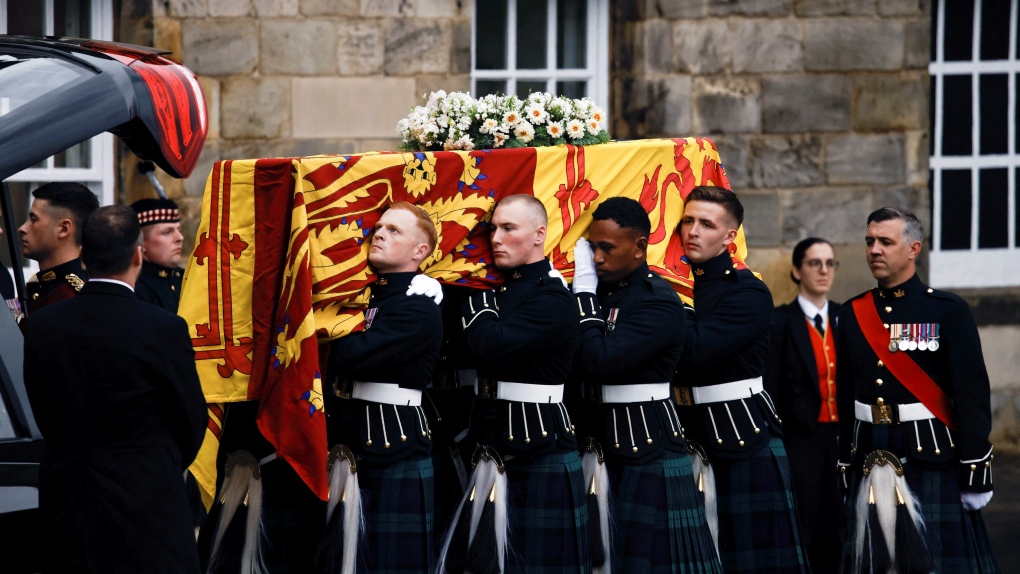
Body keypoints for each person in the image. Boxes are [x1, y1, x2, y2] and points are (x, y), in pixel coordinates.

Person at [22, 205, 207, 573]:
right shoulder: (163, 327)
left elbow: (41, 406)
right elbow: (191, 419)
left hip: (69, 495)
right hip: (146, 499)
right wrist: (154, 463)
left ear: (84, 259)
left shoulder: (43, 324)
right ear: (138, 255)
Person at [835, 208, 1000, 573]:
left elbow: (972, 395)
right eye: (869, 241)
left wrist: (974, 469)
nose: (874, 250)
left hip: (928, 455)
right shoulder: (852, 312)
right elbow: (844, 397)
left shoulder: (947, 311)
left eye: (885, 242)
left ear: (913, 248)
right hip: (869, 454)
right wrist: (845, 463)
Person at [438, 194, 590, 574]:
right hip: (488, 439)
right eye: (493, 229)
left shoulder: (552, 298)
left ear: (540, 234)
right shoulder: (499, 290)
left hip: (537, 446)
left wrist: (474, 299)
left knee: (539, 563)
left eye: (509, 228)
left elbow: (490, 347)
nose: (496, 239)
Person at [572, 197, 721, 573]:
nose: (598, 258)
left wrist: (584, 295)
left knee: (648, 562)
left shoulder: (658, 302)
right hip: (593, 440)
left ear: (639, 247)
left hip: (644, 446)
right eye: (593, 247)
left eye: (608, 247)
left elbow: (598, 361)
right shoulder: (603, 293)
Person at [673, 185, 807, 573]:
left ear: (729, 236)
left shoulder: (747, 292)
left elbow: (694, 353)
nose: (693, 231)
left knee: (750, 561)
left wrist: (665, 301)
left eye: (706, 224)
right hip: (682, 435)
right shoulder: (676, 283)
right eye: (688, 221)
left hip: (741, 437)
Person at [321, 201, 444, 572]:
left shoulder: (419, 305)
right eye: (379, 226)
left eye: (394, 231)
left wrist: (325, 330)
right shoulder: (365, 295)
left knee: (389, 560)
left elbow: (352, 356)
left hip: (392, 442)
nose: (379, 233)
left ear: (419, 252)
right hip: (347, 433)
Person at [764, 237, 843, 574]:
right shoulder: (781, 322)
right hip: (800, 441)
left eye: (830, 263)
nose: (824, 271)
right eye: (815, 263)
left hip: (840, 440)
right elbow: (772, 386)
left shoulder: (846, 318)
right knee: (803, 522)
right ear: (797, 271)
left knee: (838, 527)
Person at [17, 182, 99, 314]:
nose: (22, 228)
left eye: (34, 219)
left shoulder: (75, 297)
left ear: (63, 229)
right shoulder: (39, 285)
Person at [131, 197, 185, 312]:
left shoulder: (184, 279)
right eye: (167, 232)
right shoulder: (137, 288)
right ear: (142, 242)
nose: (180, 238)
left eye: (179, 230)